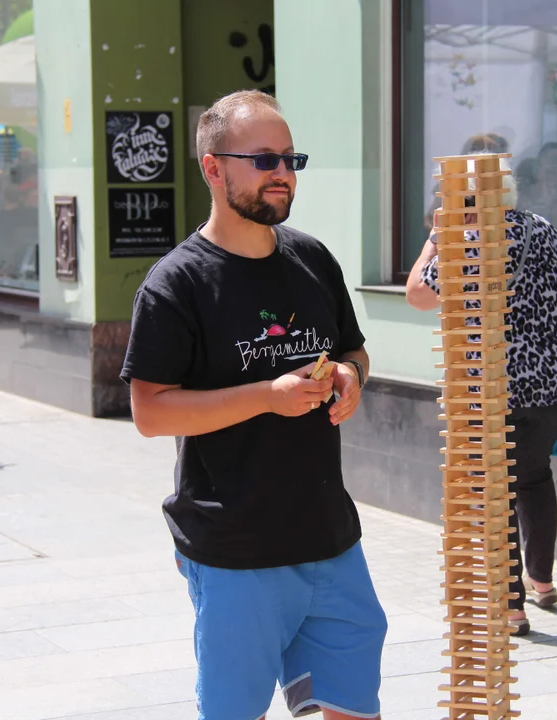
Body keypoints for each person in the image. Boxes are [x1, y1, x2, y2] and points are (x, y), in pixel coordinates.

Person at [120, 90, 386, 720]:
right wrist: (268, 397)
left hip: (330, 540)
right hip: (236, 550)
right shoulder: (176, 283)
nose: (283, 173)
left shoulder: (313, 258)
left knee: (353, 708)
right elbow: (150, 413)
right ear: (214, 168)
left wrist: (349, 375)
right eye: (264, 159)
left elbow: (356, 353)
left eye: (291, 158)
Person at [405, 161, 557, 635]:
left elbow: (416, 295)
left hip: (492, 385)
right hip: (552, 380)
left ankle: (512, 606)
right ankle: (542, 582)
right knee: (534, 477)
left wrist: (435, 237)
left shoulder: (463, 242)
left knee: (496, 489)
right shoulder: (540, 228)